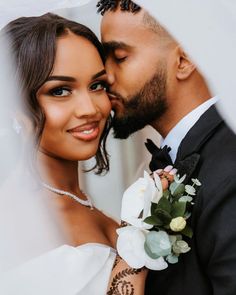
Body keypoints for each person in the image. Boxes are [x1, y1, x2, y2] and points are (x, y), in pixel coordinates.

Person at [0, 13, 147, 294]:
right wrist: (134, 256)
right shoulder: (14, 220)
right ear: (13, 106)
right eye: (60, 91)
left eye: (97, 86)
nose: (90, 109)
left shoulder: (86, 205)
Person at [97, 0, 236, 294]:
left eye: (119, 56)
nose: (105, 76)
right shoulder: (173, 159)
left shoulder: (230, 170)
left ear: (184, 60)